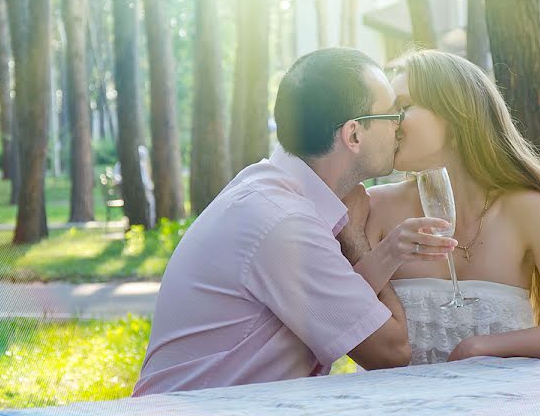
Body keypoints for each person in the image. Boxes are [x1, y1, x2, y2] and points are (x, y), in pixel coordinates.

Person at [133, 47, 454, 396]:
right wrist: (356, 239)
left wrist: (383, 249)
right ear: (354, 135)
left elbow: (341, 300)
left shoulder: (269, 193)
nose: (399, 127)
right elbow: (392, 351)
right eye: (392, 115)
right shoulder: (284, 223)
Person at [347, 50, 540, 367]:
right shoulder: (371, 207)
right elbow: (341, 318)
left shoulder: (529, 211)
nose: (392, 123)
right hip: (398, 412)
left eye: (403, 107)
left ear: (456, 113)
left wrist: (482, 347)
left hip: (502, 411)